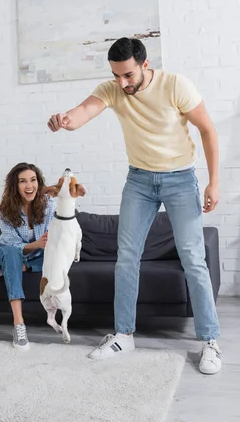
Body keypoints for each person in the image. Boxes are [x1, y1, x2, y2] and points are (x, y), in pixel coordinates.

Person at [47, 37, 221, 374]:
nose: (122, 83)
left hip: (180, 179)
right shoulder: (113, 90)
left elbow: (208, 130)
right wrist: (63, 120)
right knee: (126, 258)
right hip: (139, 181)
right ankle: (124, 334)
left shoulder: (176, 85)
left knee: (193, 260)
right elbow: (82, 112)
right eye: (116, 75)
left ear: (144, 64)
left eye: (127, 75)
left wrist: (214, 182)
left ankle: (210, 341)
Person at [0, 162, 56, 350]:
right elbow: (14, 245)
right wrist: (37, 244)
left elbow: (56, 233)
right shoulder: (5, 212)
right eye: (23, 181)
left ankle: (3, 270)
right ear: (15, 186)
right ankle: (18, 323)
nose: (29, 186)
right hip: (5, 251)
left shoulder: (49, 205)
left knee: (55, 259)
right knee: (13, 254)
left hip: (36, 255)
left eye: (33, 180)